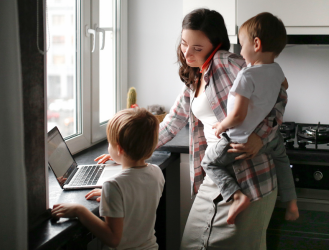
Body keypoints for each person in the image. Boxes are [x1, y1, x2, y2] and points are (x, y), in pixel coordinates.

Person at [95, 8, 296, 250]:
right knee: (191, 243)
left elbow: (278, 92)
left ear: (215, 45)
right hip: (217, 176)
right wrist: (127, 150)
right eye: (183, 44)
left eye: (197, 48)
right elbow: (172, 122)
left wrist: (260, 138)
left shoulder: (226, 61)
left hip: (249, 177)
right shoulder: (195, 79)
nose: (187, 53)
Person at [200, 12, 299, 225]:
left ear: (256, 44)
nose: (239, 51)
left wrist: (221, 126)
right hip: (269, 140)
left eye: (241, 44)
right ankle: (291, 202)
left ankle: (237, 196)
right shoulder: (277, 70)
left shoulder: (246, 75)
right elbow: (285, 87)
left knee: (209, 162)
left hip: (239, 140)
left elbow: (237, 116)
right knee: (283, 160)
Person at [51, 108, 165, 250]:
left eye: (110, 143)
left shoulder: (113, 186)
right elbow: (135, 195)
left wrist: (80, 211)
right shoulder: (157, 172)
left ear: (120, 149)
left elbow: (113, 239)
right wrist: (111, 195)